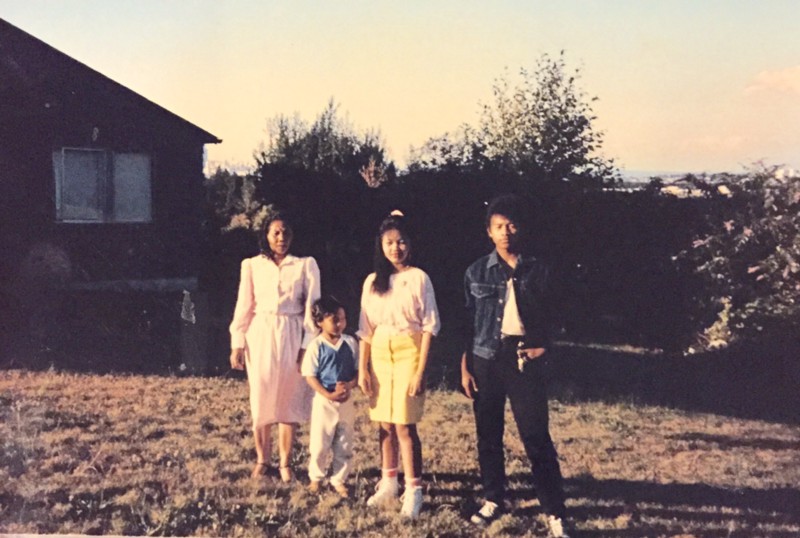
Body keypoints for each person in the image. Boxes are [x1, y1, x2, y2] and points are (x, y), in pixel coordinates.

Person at [460, 194, 570, 537]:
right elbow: (467, 323)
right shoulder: (476, 271)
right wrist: (465, 366)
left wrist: (545, 348)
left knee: (536, 437)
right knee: (488, 435)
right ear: (489, 232)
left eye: (511, 225)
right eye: (498, 226)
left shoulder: (541, 269)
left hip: (524, 361)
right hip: (485, 360)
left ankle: (554, 512)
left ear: (520, 228)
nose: (505, 232)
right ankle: (494, 498)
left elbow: (561, 318)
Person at [357, 212, 440, 519]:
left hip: (409, 350)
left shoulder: (419, 278)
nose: (396, 248)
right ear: (381, 245)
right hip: (380, 352)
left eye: (401, 241)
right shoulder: (372, 282)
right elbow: (365, 329)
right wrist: (362, 368)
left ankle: (414, 489)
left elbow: (430, 326)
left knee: (405, 424)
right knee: (384, 424)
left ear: (410, 244)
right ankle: (389, 481)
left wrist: (420, 371)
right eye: (389, 242)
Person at [229, 210, 320, 483]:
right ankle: (262, 460)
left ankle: (285, 462)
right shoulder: (252, 265)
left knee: (289, 398)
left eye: (286, 233)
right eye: (276, 233)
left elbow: (313, 307)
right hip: (261, 334)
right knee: (262, 397)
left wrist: (307, 344)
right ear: (266, 235)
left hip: (293, 332)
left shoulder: (305, 265)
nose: (282, 238)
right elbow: (244, 306)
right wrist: (237, 343)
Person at [301, 296, 358, 498]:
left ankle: (339, 479)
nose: (340, 323)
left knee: (344, 442)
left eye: (342, 319)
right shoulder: (316, 346)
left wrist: (349, 386)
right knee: (319, 443)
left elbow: (357, 372)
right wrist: (328, 393)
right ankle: (316, 477)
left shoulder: (350, 343)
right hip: (324, 402)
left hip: (346, 401)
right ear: (319, 322)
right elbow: (309, 375)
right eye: (334, 319)